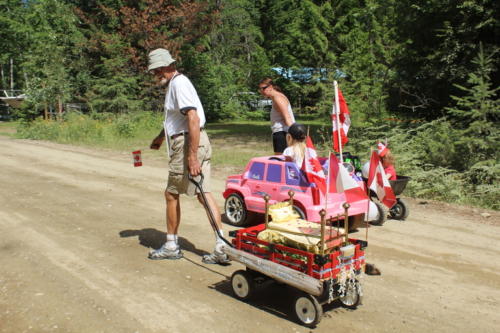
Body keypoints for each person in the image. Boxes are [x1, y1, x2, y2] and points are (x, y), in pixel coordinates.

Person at [147, 48, 229, 265]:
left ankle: (172, 245)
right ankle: (221, 245)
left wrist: (191, 156)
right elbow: (178, 121)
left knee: (171, 194)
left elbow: (192, 118)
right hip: (195, 141)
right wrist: (160, 138)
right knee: (204, 193)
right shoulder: (177, 83)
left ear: (165, 67)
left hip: (187, 145)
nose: (155, 76)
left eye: (156, 71)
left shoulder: (179, 84)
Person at [258, 78, 296, 154]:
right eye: (260, 89)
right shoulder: (276, 97)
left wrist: (296, 133)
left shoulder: (278, 98)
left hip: (282, 133)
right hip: (282, 133)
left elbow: (287, 118)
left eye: (263, 88)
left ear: (271, 87)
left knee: (281, 161)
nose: (261, 91)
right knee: (283, 161)